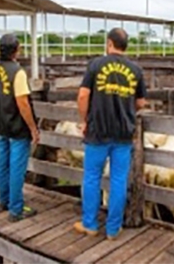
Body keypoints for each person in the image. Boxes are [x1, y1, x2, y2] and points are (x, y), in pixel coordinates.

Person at [73, 27, 147, 240]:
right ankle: (113, 229)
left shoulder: (96, 65)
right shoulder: (136, 70)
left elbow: (82, 96)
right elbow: (141, 102)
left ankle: (90, 224)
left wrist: (84, 120)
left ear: (109, 43)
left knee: (92, 177)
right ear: (126, 46)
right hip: (123, 133)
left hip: (98, 131)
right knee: (118, 180)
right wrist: (126, 110)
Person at [0, 33, 39, 222]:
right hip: (16, 126)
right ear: (16, 50)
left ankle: (4, 200)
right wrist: (33, 128)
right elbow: (22, 102)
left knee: (3, 163)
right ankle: (16, 209)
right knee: (17, 166)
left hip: (0, 125)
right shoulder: (17, 71)